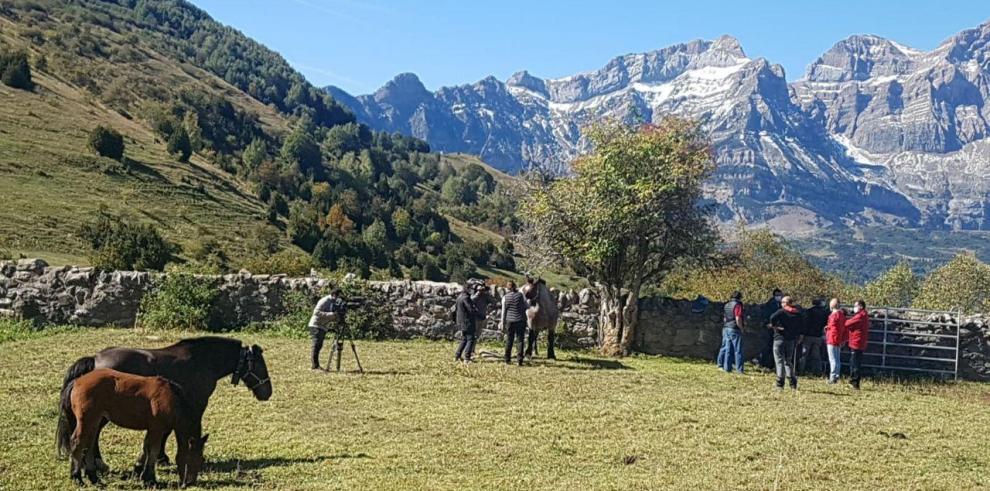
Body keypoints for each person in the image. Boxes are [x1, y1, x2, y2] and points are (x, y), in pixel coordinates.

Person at [768, 295, 803, 390]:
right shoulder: (797, 314)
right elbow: (800, 327)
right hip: (790, 340)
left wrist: (774, 326)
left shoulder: (781, 312)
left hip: (779, 338)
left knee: (779, 361)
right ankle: (792, 382)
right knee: (788, 361)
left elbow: (772, 317)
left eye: (782, 302)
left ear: (785, 303)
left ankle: (780, 383)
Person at [308, 288, 346, 370]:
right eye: (338, 297)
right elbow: (316, 312)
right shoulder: (325, 300)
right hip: (316, 324)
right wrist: (331, 314)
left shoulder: (335, 303)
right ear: (334, 295)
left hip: (323, 326)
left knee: (319, 345)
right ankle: (315, 365)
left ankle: (316, 365)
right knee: (316, 345)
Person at [500, 280, 529, 366]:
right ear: (515, 287)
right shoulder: (521, 295)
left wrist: (502, 322)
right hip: (520, 320)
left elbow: (503, 311)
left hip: (510, 321)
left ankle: (507, 359)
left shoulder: (505, 297)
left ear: (508, 288)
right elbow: (527, 306)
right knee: (520, 340)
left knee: (509, 340)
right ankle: (519, 360)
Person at [454, 282, 483, 363]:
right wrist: (478, 313)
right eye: (471, 289)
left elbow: (455, 309)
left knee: (464, 339)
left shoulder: (459, 297)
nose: (472, 290)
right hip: (468, 321)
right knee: (471, 339)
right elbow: (470, 310)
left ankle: (457, 356)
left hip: (461, 321)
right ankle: (467, 358)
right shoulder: (466, 298)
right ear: (468, 289)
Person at [845, 299, 870, 390]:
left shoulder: (860, 316)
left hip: (857, 342)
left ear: (861, 306)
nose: (854, 308)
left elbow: (847, 323)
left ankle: (854, 382)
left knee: (854, 363)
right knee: (855, 362)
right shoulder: (864, 315)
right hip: (859, 342)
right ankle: (854, 381)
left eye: (855, 306)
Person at [800, 298, 828, 376]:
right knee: (816, 355)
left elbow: (804, 323)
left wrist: (802, 334)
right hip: (818, 336)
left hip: (808, 336)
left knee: (804, 354)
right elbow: (825, 324)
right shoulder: (824, 313)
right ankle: (817, 371)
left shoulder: (808, 312)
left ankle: (801, 370)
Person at [757, 288, 783, 368]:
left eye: (780, 295)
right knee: (768, 346)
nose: (779, 297)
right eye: (777, 295)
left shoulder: (780, 304)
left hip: (776, 328)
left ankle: (770, 363)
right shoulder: (770, 304)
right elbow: (769, 315)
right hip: (770, 328)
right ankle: (765, 363)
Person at [720, 291, 745, 373]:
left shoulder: (727, 305)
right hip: (734, 328)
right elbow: (738, 318)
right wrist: (741, 328)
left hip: (726, 327)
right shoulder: (737, 305)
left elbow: (724, 318)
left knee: (728, 349)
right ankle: (739, 369)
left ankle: (727, 368)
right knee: (738, 350)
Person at [824, 298, 847, 384]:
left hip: (832, 338)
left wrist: (827, 328)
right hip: (838, 338)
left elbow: (833, 327)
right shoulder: (841, 315)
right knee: (837, 359)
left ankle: (832, 377)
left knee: (832, 359)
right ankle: (836, 375)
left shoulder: (833, 316)